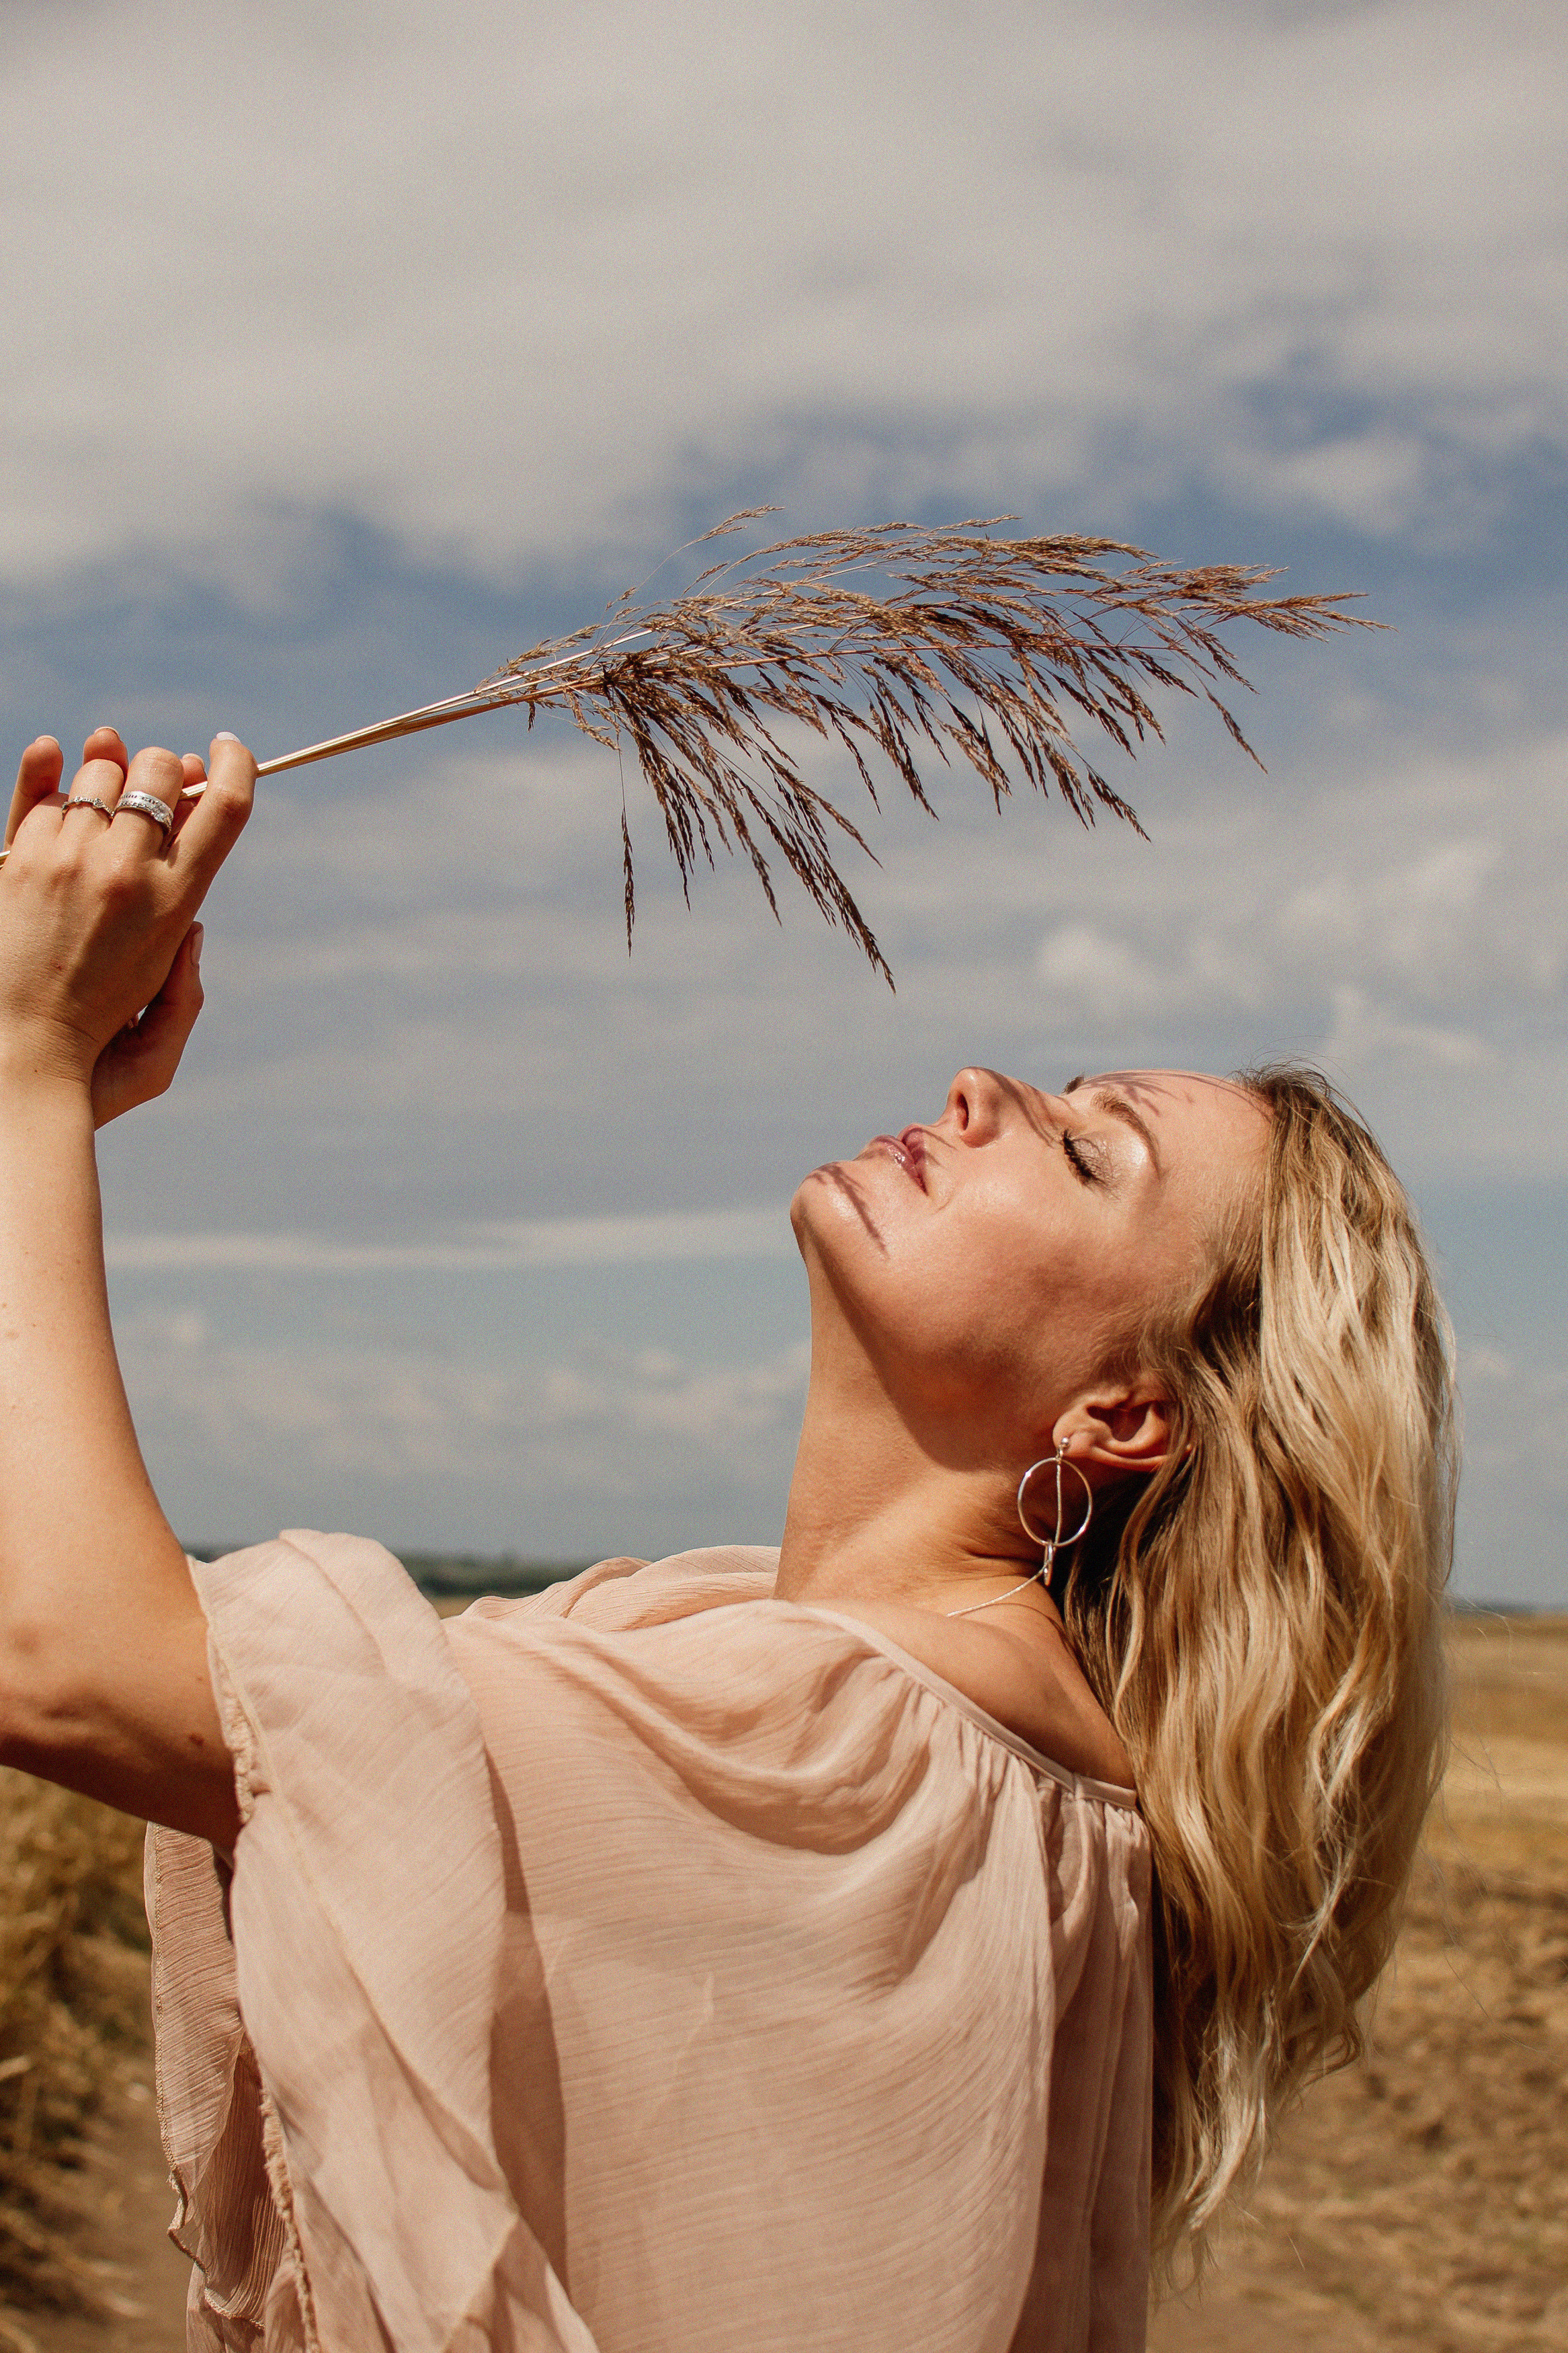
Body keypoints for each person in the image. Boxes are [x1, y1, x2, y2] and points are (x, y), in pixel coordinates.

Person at [0, 729, 1455, 2353]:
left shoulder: (859, 1756)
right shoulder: (836, 1685)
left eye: (1082, 1148)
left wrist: (33, 1063)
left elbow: (57, 1651)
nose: (981, 1086)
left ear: (1125, 1414)